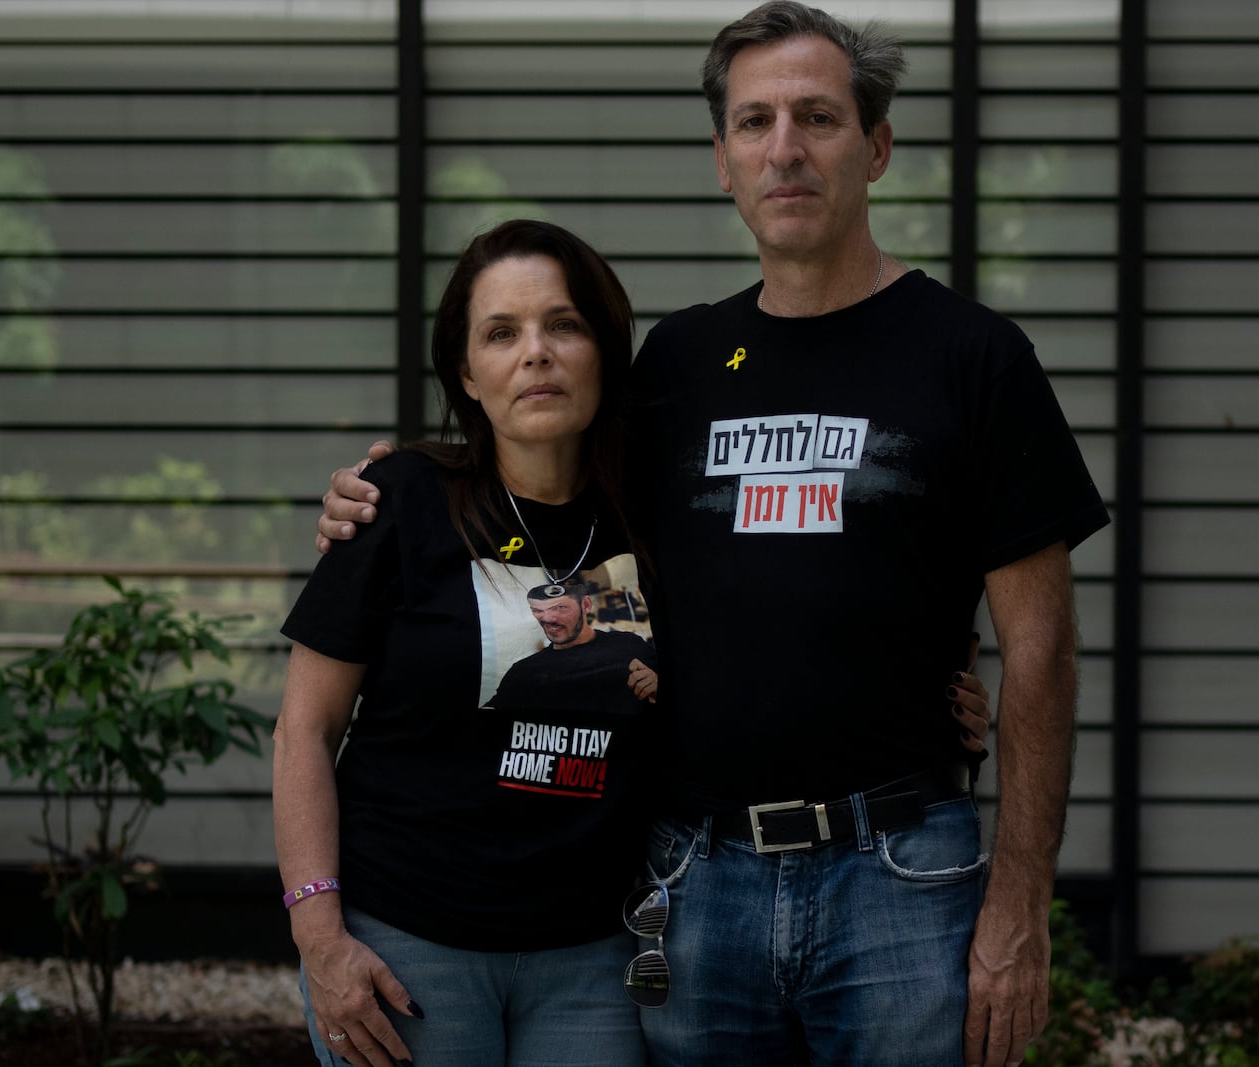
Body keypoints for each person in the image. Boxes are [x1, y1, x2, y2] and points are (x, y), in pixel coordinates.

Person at [316, 10, 1085, 1063]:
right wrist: (387, 482)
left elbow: (1040, 647)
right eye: (754, 121)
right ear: (721, 161)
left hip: (900, 871)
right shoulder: (682, 364)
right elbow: (540, 454)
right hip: (695, 876)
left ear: (878, 145)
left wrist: (1019, 900)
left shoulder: (974, 357)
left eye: (817, 117)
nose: (786, 148)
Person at [281, 216, 996, 1067]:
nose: (535, 352)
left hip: (592, 954)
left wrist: (936, 687)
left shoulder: (657, 511)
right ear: (467, 372)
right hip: (412, 942)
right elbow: (304, 731)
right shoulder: (398, 503)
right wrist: (319, 936)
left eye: (564, 324)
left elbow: (805, 594)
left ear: (605, 352)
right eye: (501, 333)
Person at [486, 580, 659, 715]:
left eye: (560, 608)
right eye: (537, 610)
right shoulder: (523, 671)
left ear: (586, 605)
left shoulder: (628, 645)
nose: (548, 619)